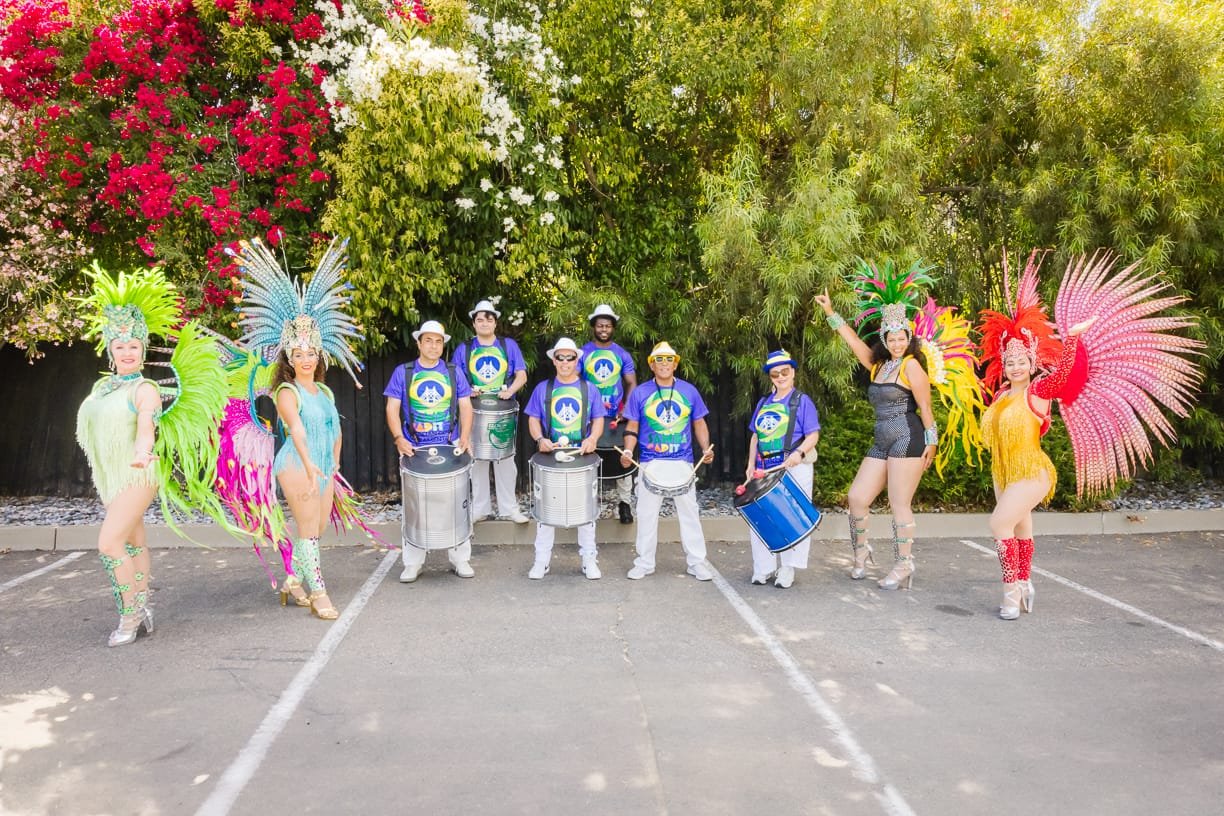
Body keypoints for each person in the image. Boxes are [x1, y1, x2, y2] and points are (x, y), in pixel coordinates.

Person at [979, 250, 1202, 620]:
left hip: (1032, 471)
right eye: (1010, 361)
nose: (1015, 366)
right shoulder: (1001, 397)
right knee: (1019, 529)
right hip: (1003, 470)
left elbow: (1066, 376)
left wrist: (1072, 341)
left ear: (1032, 363)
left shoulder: (1040, 391)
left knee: (998, 523)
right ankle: (1026, 583)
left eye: (1021, 361)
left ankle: (1011, 591)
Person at [76, 264, 227, 646]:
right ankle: (143, 607)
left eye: (134, 347)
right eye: (120, 347)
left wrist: (144, 451)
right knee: (133, 542)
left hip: (138, 474)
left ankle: (128, 615)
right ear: (110, 349)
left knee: (109, 543)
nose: (127, 353)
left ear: (143, 349)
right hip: (110, 475)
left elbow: (146, 426)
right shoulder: (103, 386)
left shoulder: (144, 389)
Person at [225, 236, 368, 614]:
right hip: (297, 464)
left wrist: (334, 463)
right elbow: (298, 431)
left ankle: (292, 581)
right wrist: (308, 465)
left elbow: (335, 429)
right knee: (308, 532)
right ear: (289, 356)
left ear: (319, 355)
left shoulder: (322, 389)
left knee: (317, 529)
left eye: (311, 353)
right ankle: (318, 595)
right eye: (299, 354)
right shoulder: (287, 391)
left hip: (321, 465)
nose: (306, 359)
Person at [814, 259, 938, 590]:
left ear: (908, 338)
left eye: (901, 338)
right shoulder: (878, 365)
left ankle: (903, 564)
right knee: (857, 498)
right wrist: (830, 312)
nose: (897, 344)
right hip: (882, 439)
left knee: (899, 505)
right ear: (884, 339)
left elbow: (925, 407)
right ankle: (861, 552)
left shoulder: (912, 367)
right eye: (891, 339)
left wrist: (932, 442)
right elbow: (853, 341)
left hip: (908, 439)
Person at [385, 320, 475, 582]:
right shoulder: (404, 372)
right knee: (415, 505)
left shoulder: (453, 372)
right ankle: (413, 562)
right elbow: (392, 409)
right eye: (428, 341)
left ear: (443, 345)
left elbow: (466, 407)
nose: (433, 346)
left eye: (438, 341)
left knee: (457, 502)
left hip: (450, 445)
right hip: (416, 447)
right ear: (419, 343)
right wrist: (399, 438)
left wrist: (466, 437)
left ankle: (460, 559)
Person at [619, 342, 716, 581]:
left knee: (689, 513)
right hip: (650, 463)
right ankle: (644, 562)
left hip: (683, 462)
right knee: (646, 513)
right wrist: (628, 452)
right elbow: (632, 427)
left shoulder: (689, 391)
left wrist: (705, 448)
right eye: (659, 360)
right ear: (652, 365)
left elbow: (699, 423)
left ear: (675, 364)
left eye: (668, 360)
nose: (664, 364)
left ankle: (696, 562)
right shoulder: (641, 392)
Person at [523, 337, 607, 579]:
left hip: (581, 455)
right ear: (554, 360)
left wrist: (592, 439)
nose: (565, 362)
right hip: (551, 456)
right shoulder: (544, 388)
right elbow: (533, 419)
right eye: (561, 357)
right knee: (546, 511)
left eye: (570, 357)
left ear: (577, 360)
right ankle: (541, 561)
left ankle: (589, 559)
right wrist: (540, 439)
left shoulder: (589, 389)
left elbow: (599, 419)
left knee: (585, 511)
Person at [744, 350, 820, 588]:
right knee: (762, 516)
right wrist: (749, 465)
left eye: (784, 371)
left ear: (793, 372)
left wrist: (799, 453)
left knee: (792, 517)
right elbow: (755, 437)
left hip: (793, 466)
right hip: (765, 468)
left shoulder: (801, 400)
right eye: (775, 373)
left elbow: (813, 434)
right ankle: (763, 567)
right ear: (771, 377)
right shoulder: (763, 403)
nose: (780, 377)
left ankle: (788, 568)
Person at [453, 299, 529, 524]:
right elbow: (455, 379)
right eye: (479, 319)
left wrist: (511, 390)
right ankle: (480, 509)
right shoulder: (465, 349)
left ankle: (509, 509)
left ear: (495, 323)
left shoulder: (508, 346)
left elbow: (521, 375)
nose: (484, 323)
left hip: (502, 412)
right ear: (474, 324)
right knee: (476, 459)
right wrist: (468, 391)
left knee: (505, 459)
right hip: (474, 413)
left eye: (488, 319)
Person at [581, 304, 637, 523]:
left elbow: (631, 383)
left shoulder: (622, 354)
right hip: (589, 417)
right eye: (600, 325)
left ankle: (624, 504)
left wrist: (625, 408)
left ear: (613, 328)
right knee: (588, 457)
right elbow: (575, 382)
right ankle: (587, 505)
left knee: (623, 456)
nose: (604, 329)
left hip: (616, 415)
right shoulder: (583, 353)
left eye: (608, 325)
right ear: (593, 327)